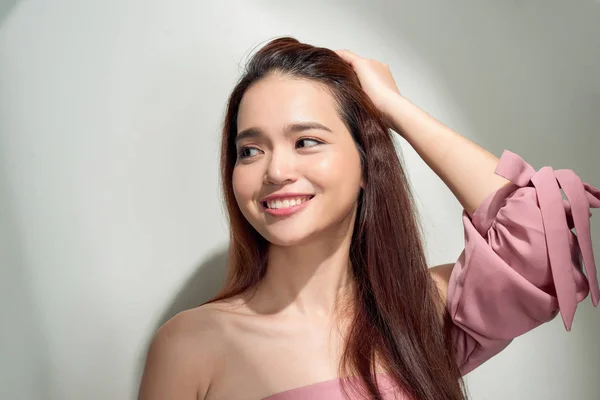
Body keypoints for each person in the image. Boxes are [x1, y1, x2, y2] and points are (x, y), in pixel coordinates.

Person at [137, 37, 600, 400]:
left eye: (306, 141)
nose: (275, 171)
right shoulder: (190, 347)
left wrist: (396, 109)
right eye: (250, 150)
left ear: (365, 164)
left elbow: (544, 239)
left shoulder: (419, 312)